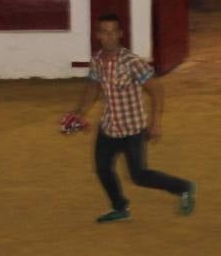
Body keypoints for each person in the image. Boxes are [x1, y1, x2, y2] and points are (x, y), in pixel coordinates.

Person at [67, 13, 195, 224]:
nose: (109, 37)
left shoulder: (132, 62)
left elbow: (156, 89)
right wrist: (80, 112)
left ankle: (184, 187)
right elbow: (93, 87)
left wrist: (155, 122)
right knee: (102, 168)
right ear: (98, 35)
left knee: (139, 175)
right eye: (104, 32)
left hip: (133, 129)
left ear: (120, 34)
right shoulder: (97, 60)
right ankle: (120, 207)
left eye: (113, 32)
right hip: (109, 127)